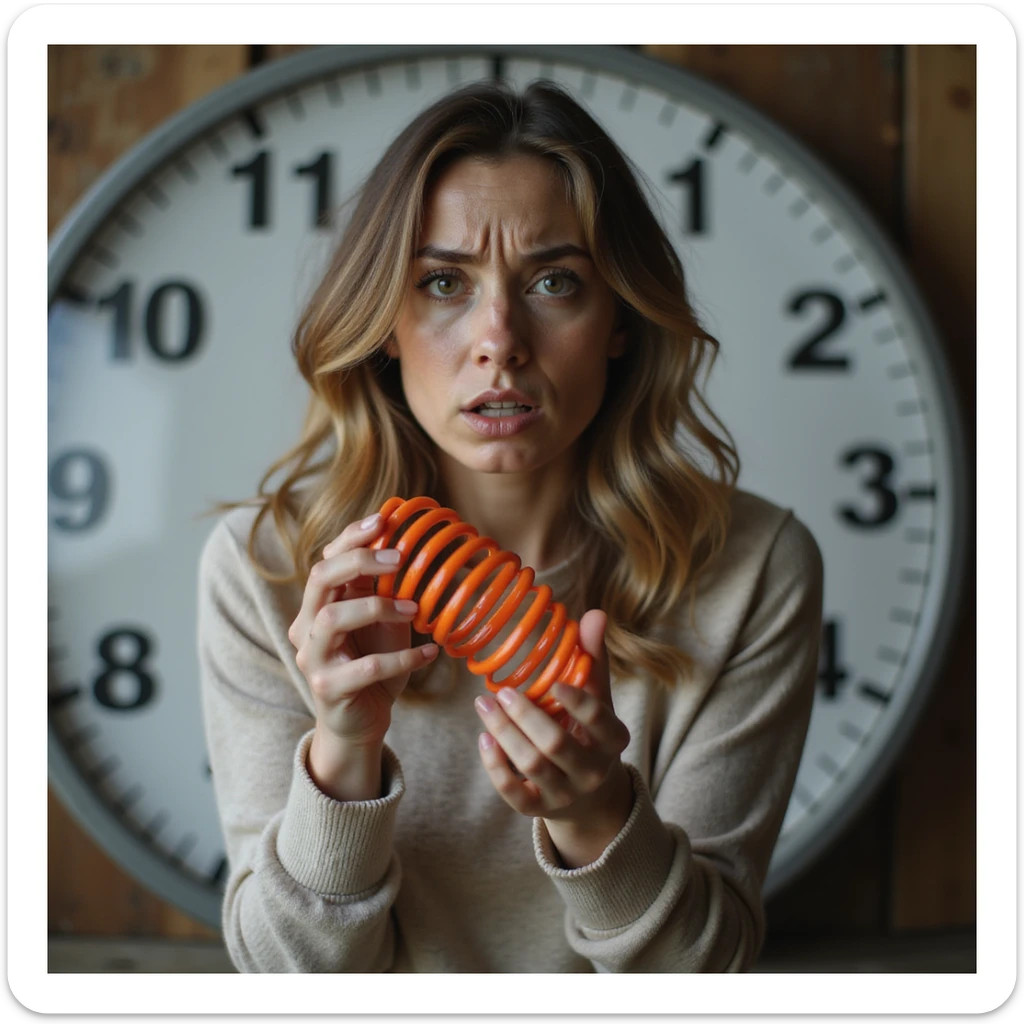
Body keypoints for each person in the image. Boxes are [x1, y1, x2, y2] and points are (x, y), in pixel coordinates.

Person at [197, 78, 824, 974]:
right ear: (385, 323)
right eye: (444, 282)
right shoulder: (266, 573)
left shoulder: (754, 569)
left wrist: (596, 814)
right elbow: (285, 974)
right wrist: (342, 749)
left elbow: (707, 971)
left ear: (617, 321)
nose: (500, 338)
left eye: (555, 281)